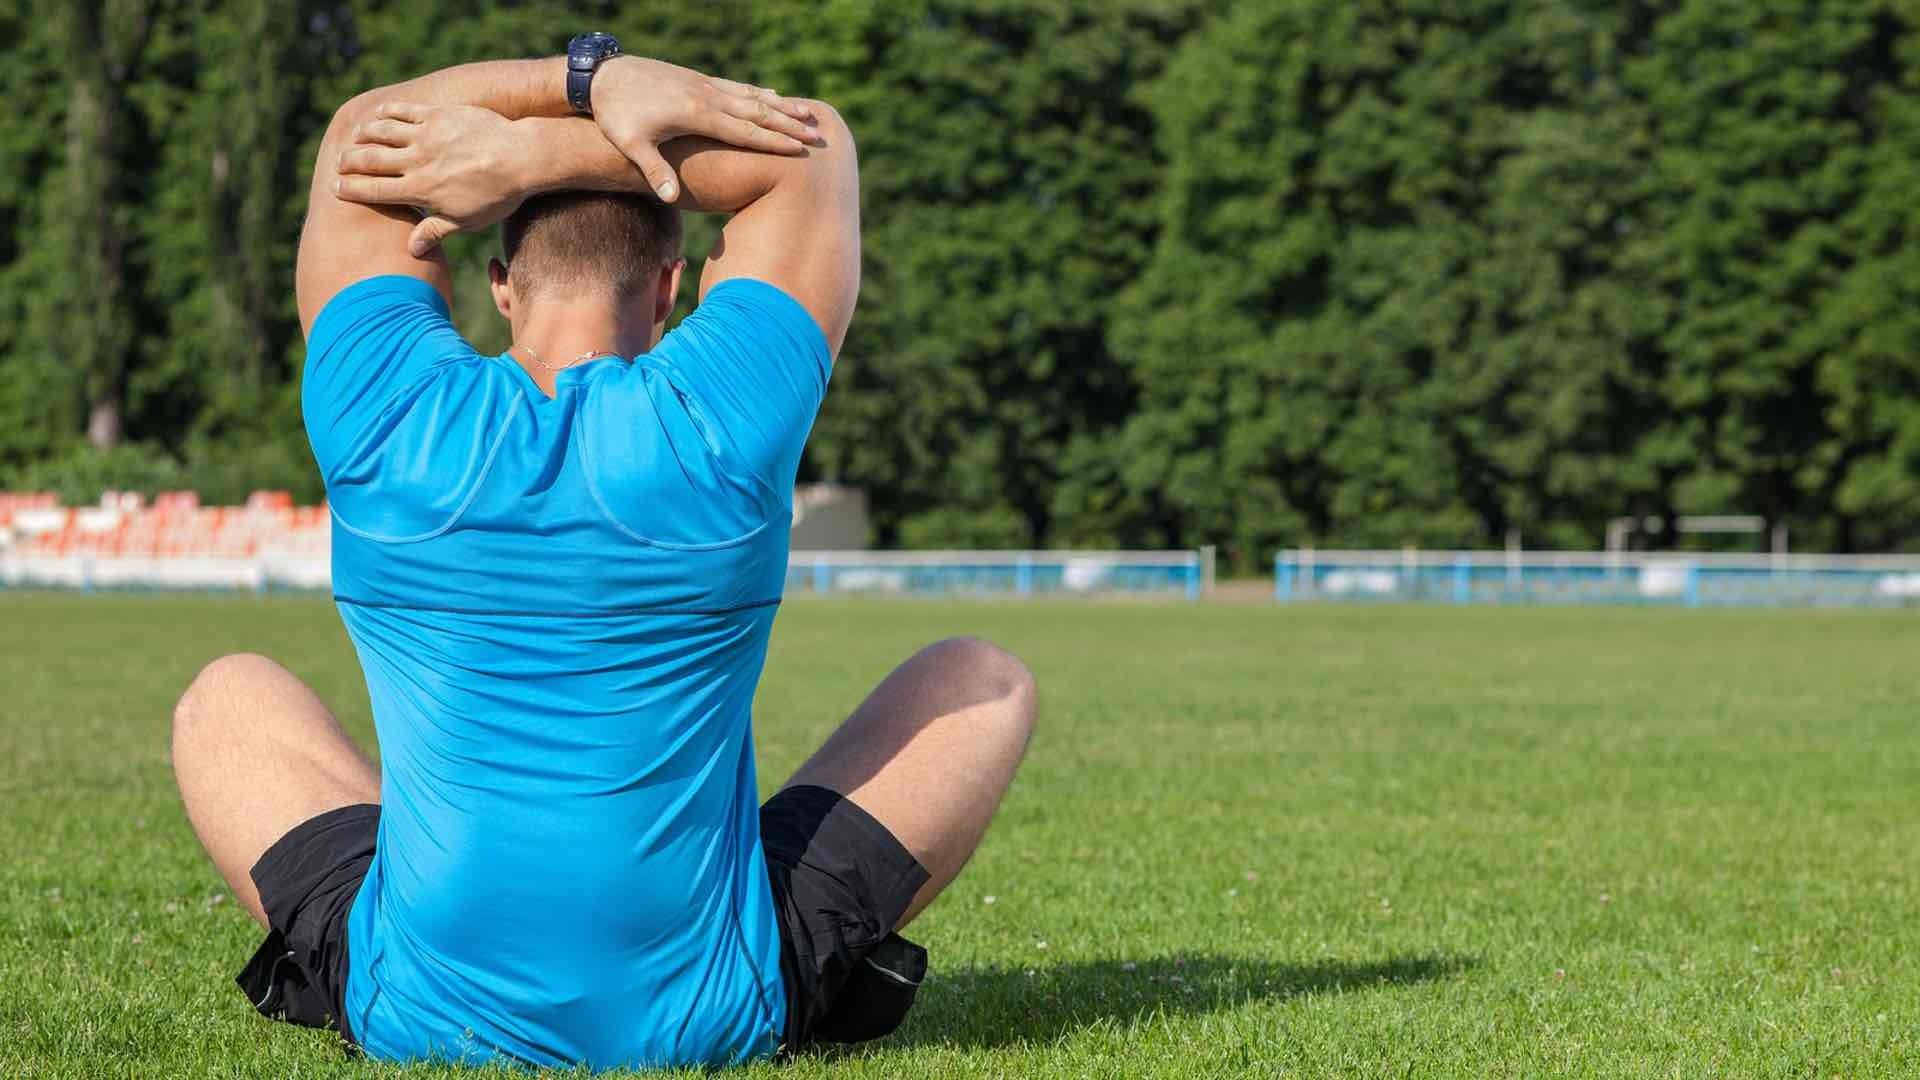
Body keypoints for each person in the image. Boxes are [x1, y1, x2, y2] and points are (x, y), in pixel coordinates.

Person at [169, 39, 1036, 1071]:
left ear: (497, 284)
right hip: (714, 1007)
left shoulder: (386, 418)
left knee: (227, 697)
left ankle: (382, 966)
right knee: (982, 678)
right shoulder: (721, 423)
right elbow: (812, 154)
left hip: (418, 1004)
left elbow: (362, 137)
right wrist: (555, 151)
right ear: (672, 288)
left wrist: (565, 95)